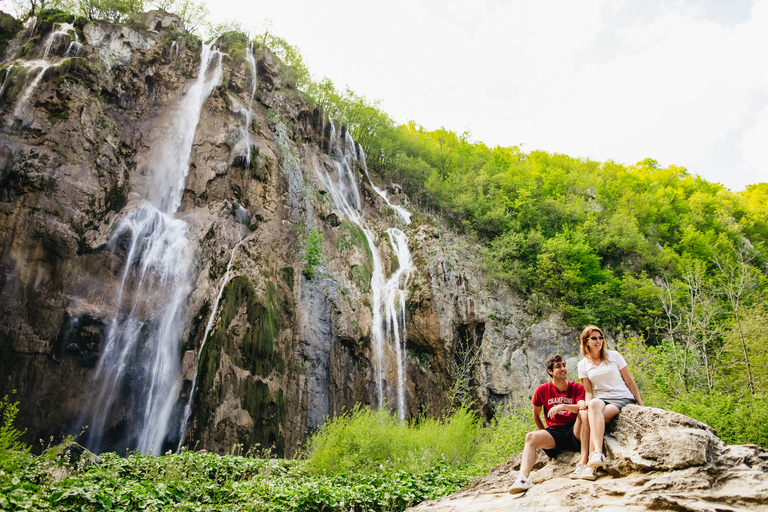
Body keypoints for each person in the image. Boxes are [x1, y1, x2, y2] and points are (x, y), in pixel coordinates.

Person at [508, 354, 592, 494]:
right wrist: (545, 432)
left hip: (575, 430)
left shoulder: (577, 387)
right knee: (530, 437)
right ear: (550, 371)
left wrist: (563, 406)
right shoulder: (542, 390)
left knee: (584, 413)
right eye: (558, 366)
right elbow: (536, 415)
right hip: (555, 433)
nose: (563, 369)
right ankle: (523, 479)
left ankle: (584, 463)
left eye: (564, 365)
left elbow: (581, 406)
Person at [578, 325, 643, 469]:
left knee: (593, 419)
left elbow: (630, 382)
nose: (598, 341)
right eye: (594, 338)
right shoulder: (582, 364)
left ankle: (591, 462)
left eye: (600, 338)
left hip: (622, 397)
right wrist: (586, 404)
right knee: (593, 406)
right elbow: (588, 392)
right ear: (586, 341)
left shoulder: (614, 356)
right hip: (602, 399)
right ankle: (597, 454)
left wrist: (641, 405)